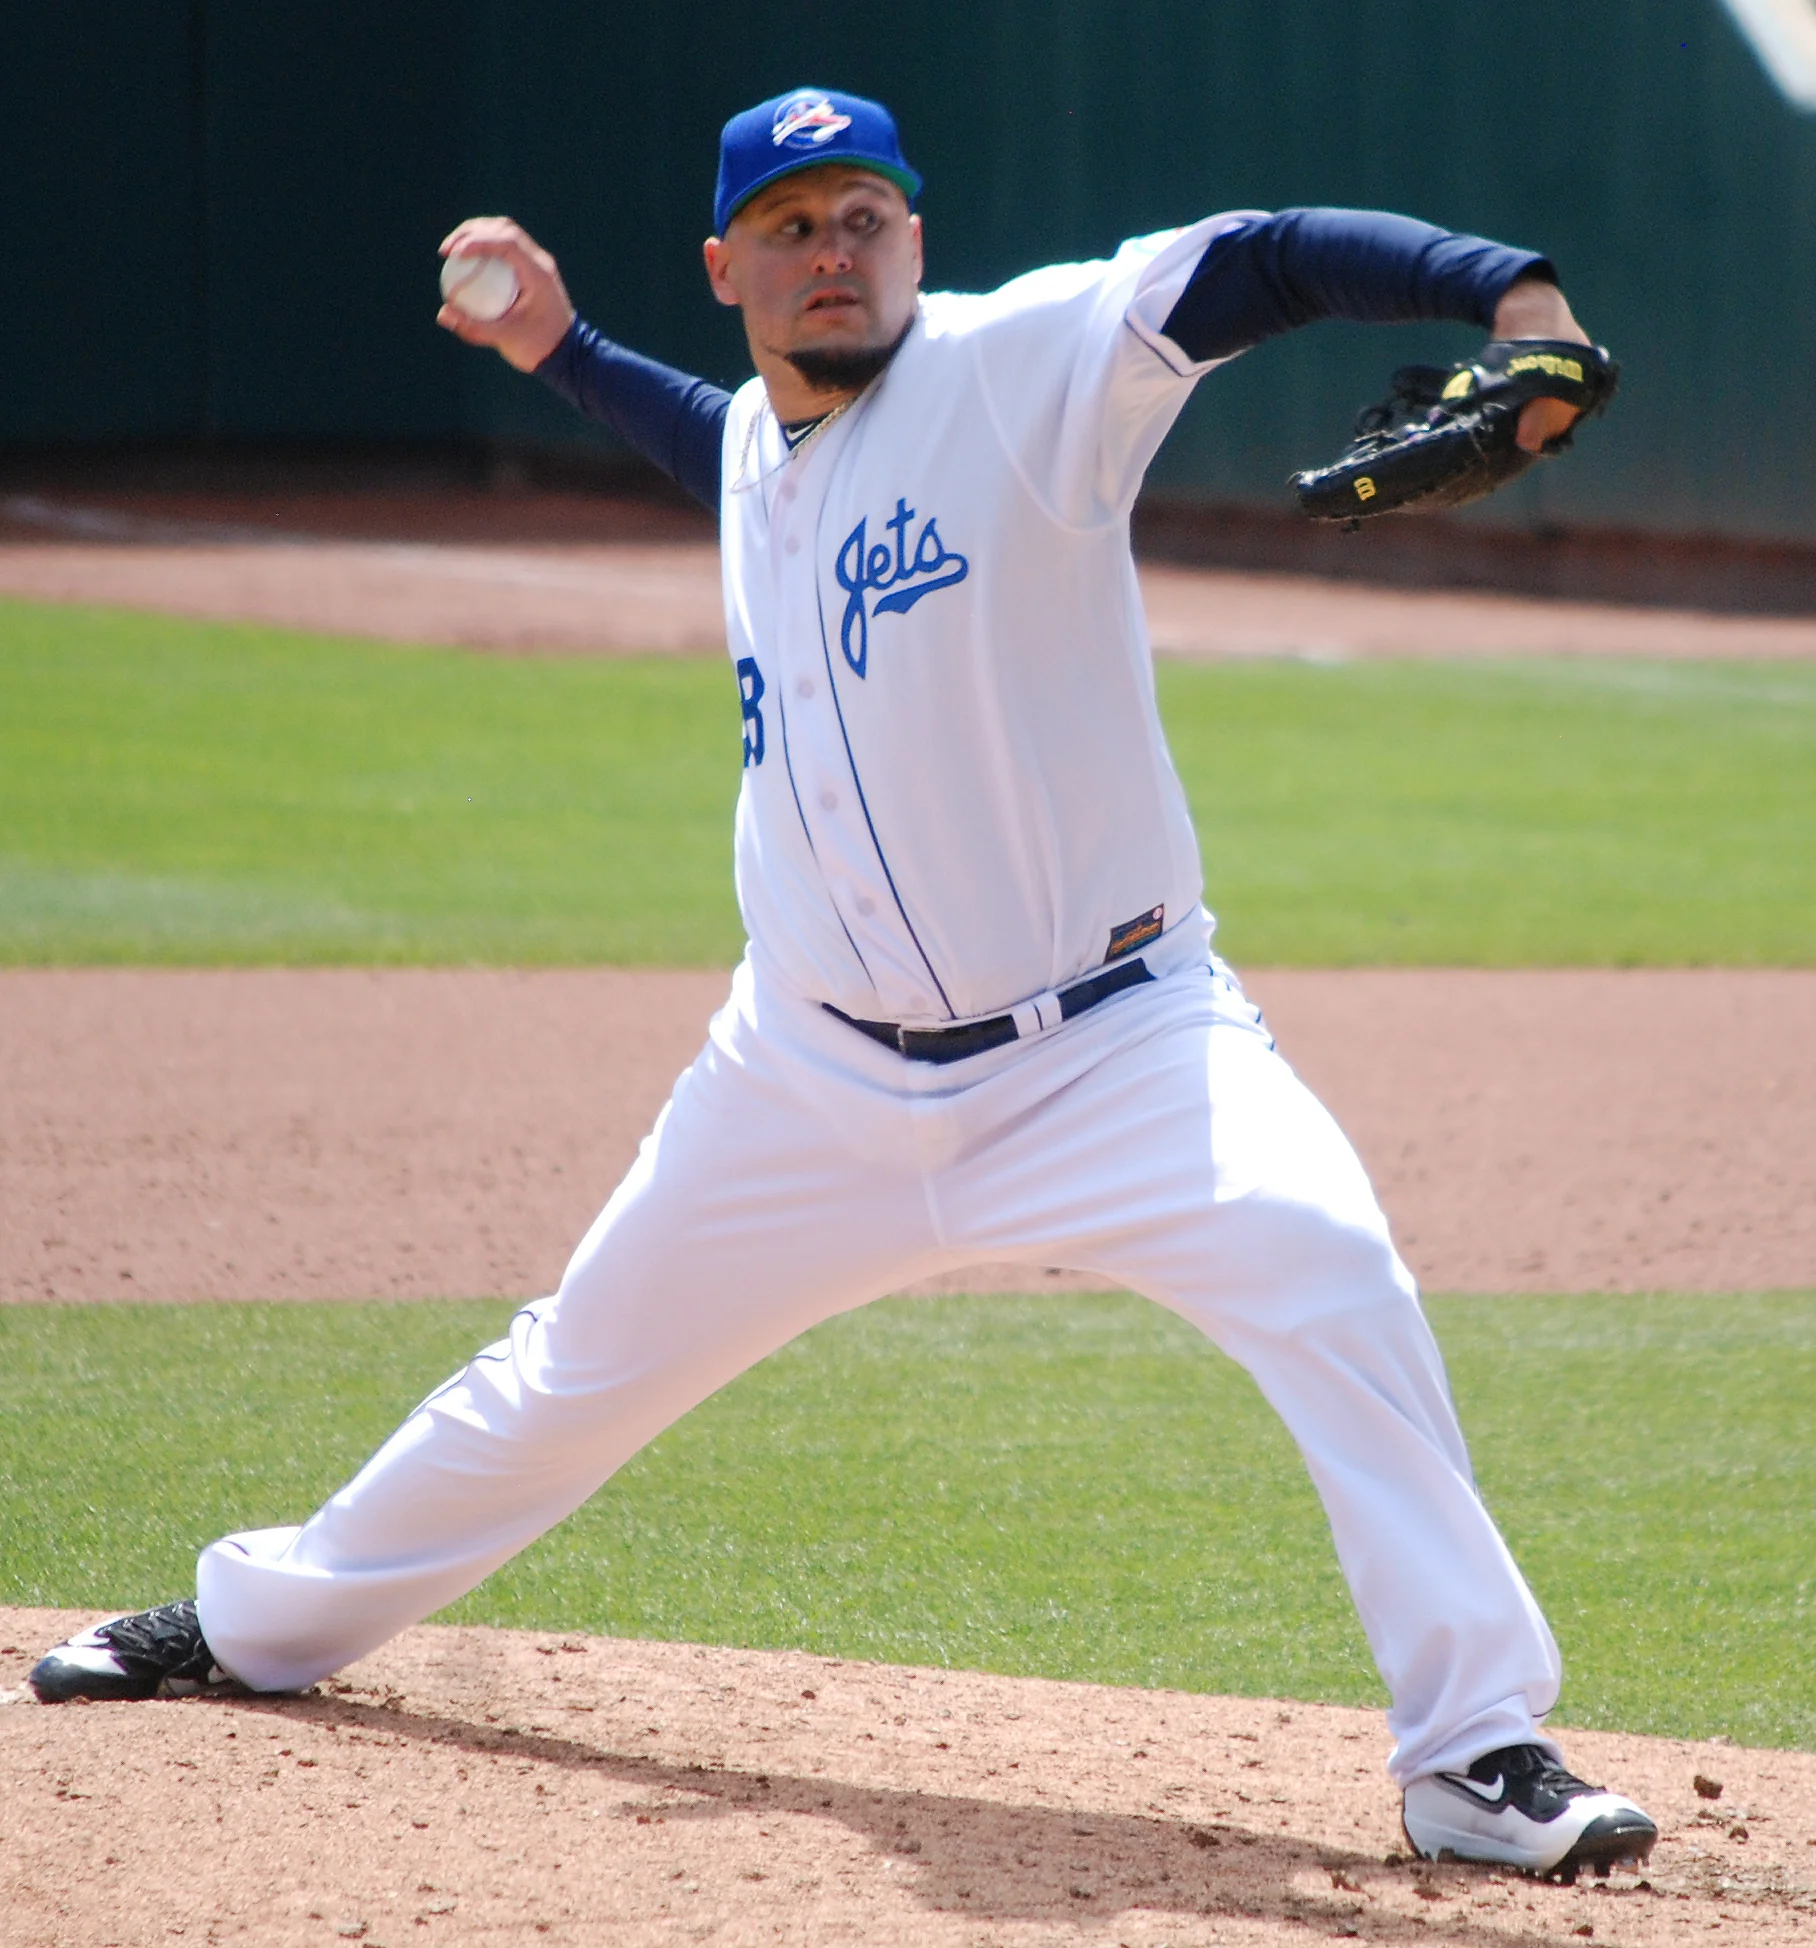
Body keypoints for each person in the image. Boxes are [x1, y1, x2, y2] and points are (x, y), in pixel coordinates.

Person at [34, 86, 1655, 1882]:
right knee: (566, 1372)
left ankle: (1473, 1749)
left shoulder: (1026, 368)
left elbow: (1261, 264)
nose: (836, 254)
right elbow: (704, 435)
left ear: (917, 242)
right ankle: (257, 1625)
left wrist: (1520, 301)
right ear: (729, 265)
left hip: (1114, 1052)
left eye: (865, 217)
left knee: (1331, 1273)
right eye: (795, 227)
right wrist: (556, 345)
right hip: (805, 1080)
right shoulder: (756, 441)